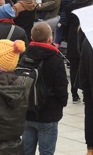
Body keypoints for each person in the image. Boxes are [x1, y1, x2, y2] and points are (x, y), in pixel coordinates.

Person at [21, 21, 69, 155]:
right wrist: (62, 102)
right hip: (49, 112)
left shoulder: (24, 57)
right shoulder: (56, 59)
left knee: (25, 151)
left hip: (27, 111)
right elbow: (61, 87)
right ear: (50, 39)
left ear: (31, 38)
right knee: (47, 152)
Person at [63, 0, 93, 104]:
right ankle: (86, 94)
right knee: (87, 66)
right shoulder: (92, 3)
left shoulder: (71, 6)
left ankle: (74, 93)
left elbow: (67, 23)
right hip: (88, 36)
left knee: (74, 66)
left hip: (73, 36)